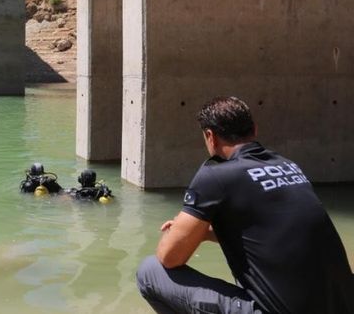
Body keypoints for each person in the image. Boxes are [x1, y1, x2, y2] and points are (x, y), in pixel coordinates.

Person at [136, 96, 354, 314]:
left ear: (210, 136)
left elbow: (169, 257)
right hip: (342, 305)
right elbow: (270, 235)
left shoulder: (215, 175)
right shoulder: (288, 166)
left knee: (150, 272)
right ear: (254, 130)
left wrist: (180, 233)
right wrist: (202, 234)